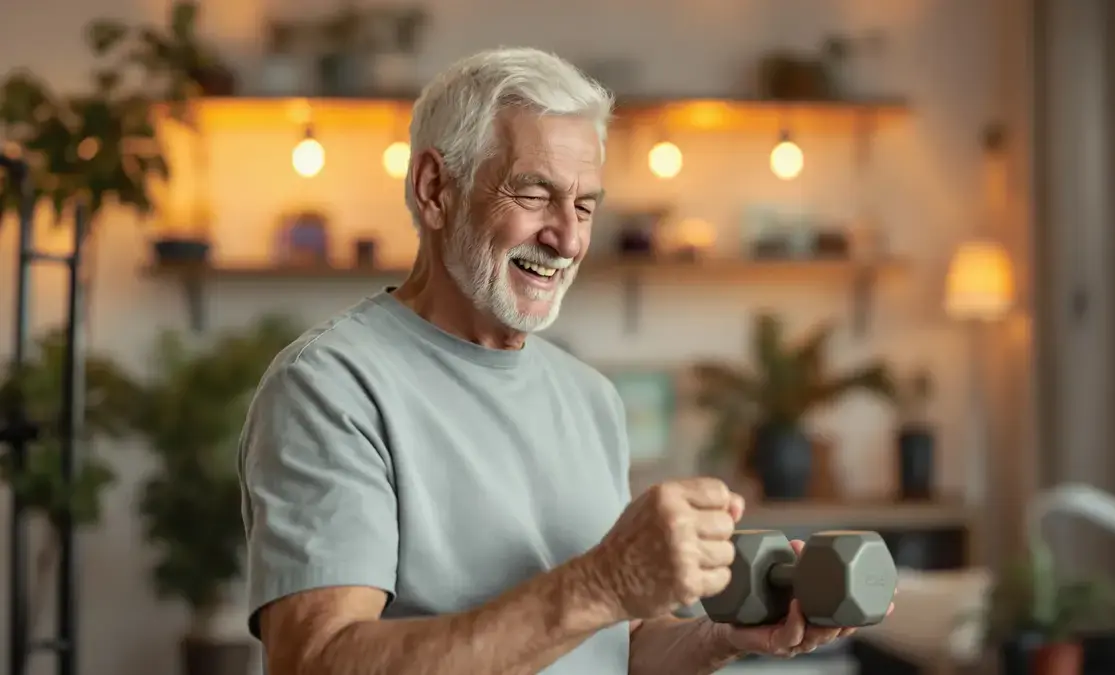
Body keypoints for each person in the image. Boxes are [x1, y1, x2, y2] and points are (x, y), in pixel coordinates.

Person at [238, 47, 878, 675]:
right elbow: (316, 661)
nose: (568, 238)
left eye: (585, 205)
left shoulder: (590, 398)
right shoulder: (330, 388)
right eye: (534, 194)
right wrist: (603, 581)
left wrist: (723, 639)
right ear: (435, 190)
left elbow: (611, 649)